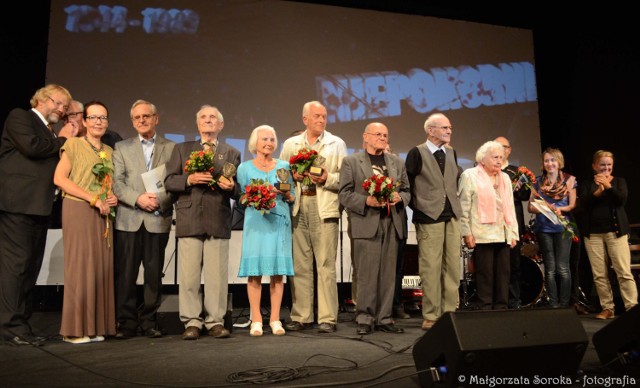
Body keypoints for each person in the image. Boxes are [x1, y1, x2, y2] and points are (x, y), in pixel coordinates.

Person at [0, 84, 78, 346]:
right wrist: (63, 139)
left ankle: (21, 325)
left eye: (65, 107)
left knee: (30, 267)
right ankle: (11, 327)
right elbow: (32, 147)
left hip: (38, 207)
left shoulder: (48, 131)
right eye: (59, 104)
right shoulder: (21, 117)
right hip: (18, 206)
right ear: (43, 99)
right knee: (17, 267)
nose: (62, 110)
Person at [164, 105, 240, 340]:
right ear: (198, 124)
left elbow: (238, 189)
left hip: (217, 217)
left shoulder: (231, 152)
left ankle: (215, 321)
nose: (208, 121)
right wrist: (190, 178)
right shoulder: (182, 149)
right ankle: (192, 322)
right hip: (190, 218)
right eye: (204, 118)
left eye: (213, 118)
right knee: (188, 276)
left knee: (217, 276)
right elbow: (169, 181)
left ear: (221, 125)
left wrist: (232, 187)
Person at [279, 101, 347, 333]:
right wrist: (292, 176)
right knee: (300, 264)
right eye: (316, 116)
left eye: (324, 116)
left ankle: (327, 318)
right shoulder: (291, 144)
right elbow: (282, 175)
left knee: (326, 265)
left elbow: (345, 180)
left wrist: (327, 178)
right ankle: (302, 316)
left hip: (324, 206)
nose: (321, 119)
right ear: (305, 119)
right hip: (298, 206)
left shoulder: (336, 143)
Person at [53, 100, 118, 343]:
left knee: (100, 269)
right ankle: (74, 330)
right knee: (80, 268)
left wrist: (112, 196)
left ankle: (95, 327)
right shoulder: (73, 144)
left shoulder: (110, 152)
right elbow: (59, 178)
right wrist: (92, 198)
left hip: (103, 215)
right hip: (79, 208)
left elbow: (109, 183)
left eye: (103, 118)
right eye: (93, 117)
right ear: (84, 121)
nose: (98, 122)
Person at [112, 100, 176, 339]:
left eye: (146, 116)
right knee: (126, 274)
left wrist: (159, 200)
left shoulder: (171, 147)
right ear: (132, 121)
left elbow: (174, 182)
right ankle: (126, 322)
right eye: (137, 117)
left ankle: (149, 321)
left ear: (155, 118)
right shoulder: (121, 147)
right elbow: (117, 183)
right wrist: (138, 198)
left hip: (157, 218)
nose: (142, 120)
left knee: (153, 275)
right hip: (129, 218)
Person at [339, 122, 410, 335]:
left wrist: (401, 198)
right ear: (365, 137)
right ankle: (365, 317)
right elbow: (344, 194)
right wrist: (366, 201)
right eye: (377, 134)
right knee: (367, 273)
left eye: (385, 134)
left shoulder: (396, 162)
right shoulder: (351, 161)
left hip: (392, 221)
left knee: (388, 273)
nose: (382, 137)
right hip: (366, 222)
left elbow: (407, 190)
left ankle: (385, 318)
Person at [236, 125, 295, 336]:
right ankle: (256, 320)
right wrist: (254, 196)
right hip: (256, 223)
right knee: (255, 274)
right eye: (264, 139)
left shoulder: (284, 166)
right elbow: (241, 197)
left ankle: (275, 319)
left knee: (278, 274)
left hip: (279, 222)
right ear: (255, 143)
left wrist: (285, 194)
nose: (268, 143)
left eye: (272, 139)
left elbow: (292, 196)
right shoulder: (244, 168)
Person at [405, 113, 461, 330]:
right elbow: (407, 185)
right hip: (429, 217)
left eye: (450, 127)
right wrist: (420, 208)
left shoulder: (451, 152)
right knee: (431, 267)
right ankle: (431, 314)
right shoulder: (416, 152)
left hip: (451, 216)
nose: (449, 131)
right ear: (430, 130)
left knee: (452, 267)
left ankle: (449, 312)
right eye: (444, 127)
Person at [459, 141, 519, 310]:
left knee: (503, 273)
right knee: (485, 273)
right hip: (481, 233)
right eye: (495, 157)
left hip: (503, 231)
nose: (499, 161)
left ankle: (501, 307)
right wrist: (466, 232)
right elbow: (464, 206)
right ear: (483, 159)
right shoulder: (470, 175)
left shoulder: (505, 177)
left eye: (501, 157)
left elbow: (510, 207)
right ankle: (485, 307)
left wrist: (513, 232)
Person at [579, 150, 637, 319]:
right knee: (599, 274)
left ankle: (632, 307)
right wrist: (598, 190)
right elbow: (583, 204)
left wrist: (608, 186)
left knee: (623, 272)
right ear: (594, 166)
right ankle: (607, 308)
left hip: (616, 233)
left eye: (609, 165)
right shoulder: (588, 184)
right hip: (593, 235)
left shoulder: (619, 182)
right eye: (602, 165)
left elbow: (621, 200)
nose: (606, 168)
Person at [528, 148, 576, 308]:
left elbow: (572, 204)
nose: (550, 163)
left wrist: (560, 209)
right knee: (550, 269)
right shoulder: (537, 181)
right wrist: (545, 208)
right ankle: (553, 304)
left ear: (559, 162)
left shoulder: (569, 180)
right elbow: (530, 207)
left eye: (553, 160)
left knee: (562, 268)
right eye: (547, 160)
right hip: (544, 229)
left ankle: (564, 304)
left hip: (562, 228)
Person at [494, 136, 531, 309]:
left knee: (514, 263)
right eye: (498, 146)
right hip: (493, 223)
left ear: (509, 150)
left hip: (513, 222)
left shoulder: (517, 171)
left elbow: (524, 197)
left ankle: (514, 300)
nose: (501, 149)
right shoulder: (488, 169)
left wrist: (522, 186)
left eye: (505, 147)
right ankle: (497, 300)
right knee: (495, 263)